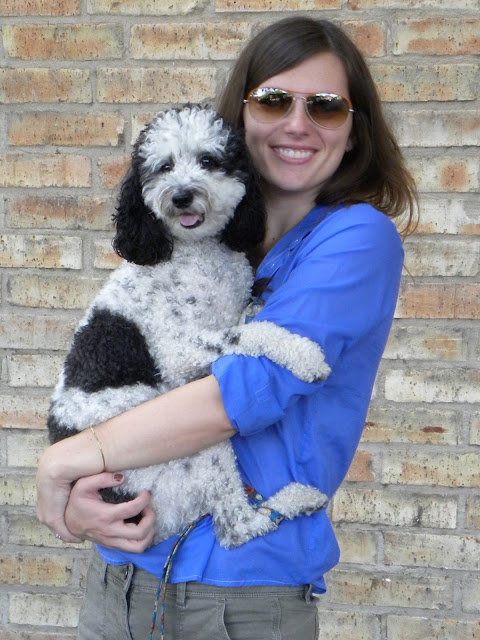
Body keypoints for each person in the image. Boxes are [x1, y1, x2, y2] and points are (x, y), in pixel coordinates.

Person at [36, 16, 417, 640]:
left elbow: (238, 394)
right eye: (273, 100)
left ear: (353, 133)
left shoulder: (357, 239)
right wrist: (89, 494)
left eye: (325, 107)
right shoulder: (197, 239)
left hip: (241, 600)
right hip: (118, 582)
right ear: (242, 117)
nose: (298, 124)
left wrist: (60, 463)